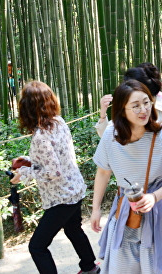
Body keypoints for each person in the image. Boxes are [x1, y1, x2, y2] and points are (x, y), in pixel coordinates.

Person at [91, 80, 162, 273]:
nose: (143, 110)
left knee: (158, 266)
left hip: (160, 208)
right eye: (135, 106)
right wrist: (96, 209)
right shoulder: (111, 134)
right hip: (126, 208)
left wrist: (155, 196)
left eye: (146, 103)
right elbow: (103, 171)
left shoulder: (161, 135)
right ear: (122, 109)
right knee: (121, 266)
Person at [11, 81, 99, 274]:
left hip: (61, 198)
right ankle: (89, 267)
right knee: (73, 229)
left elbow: (53, 172)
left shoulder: (40, 135)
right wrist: (27, 161)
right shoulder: (58, 122)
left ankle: (90, 267)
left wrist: (24, 173)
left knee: (37, 246)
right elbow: (56, 158)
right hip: (74, 189)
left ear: (26, 108)